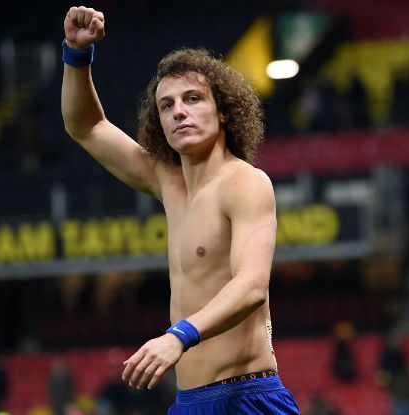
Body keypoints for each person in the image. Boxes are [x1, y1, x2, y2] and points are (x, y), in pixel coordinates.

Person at [61, 6, 299, 414]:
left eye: (192, 99)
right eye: (167, 105)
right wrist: (76, 55)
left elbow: (252, 286)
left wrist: (178, 336)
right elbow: (87, 127)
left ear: (222, 110)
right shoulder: (166, 182)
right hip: (189, 402)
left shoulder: (245, 182)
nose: (179, 112)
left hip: (248, 397)